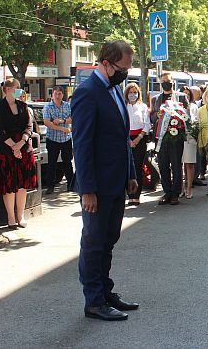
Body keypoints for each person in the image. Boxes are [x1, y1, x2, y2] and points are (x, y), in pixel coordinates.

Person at [72, 40, 138, 321]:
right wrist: (87, 189)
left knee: (109, 239)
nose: (126, 73)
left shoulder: (115, 91)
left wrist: (131, 174)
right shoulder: (87, 93)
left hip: (116, 181)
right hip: (97, 187)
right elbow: (82, 144)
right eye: (123, 68)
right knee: (94, 242)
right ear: (106, 63)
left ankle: (105, 291)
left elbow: (121, 139)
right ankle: (94, 300)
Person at [0, 79, 37, 229]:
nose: (20, 90)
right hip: (6, 150)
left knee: (22, 185)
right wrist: (14, 147)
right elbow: (0, 130)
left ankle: (20, 216)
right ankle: (11, 217)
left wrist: (21, 144)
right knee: (9, 185)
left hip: (23, 147)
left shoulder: (23, 106)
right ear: (9, 89)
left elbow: (28, 126)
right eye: (17, 88)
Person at [151, 73, 188, 205]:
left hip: (176, 137)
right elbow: (152, 118)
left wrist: (177, 115)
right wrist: (158, 115)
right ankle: (167, 192)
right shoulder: (155, 99)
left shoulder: (182, 97)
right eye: (163, 81)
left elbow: (187, 116)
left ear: (173, 82)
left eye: (168, 81)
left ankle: (175, 193)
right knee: (163, 165)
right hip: (161, 138)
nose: (166, 83)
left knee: (176, 165)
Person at [43, 86, 74, 194]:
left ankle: (71, 184)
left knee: (67, 162)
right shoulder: (48, 107)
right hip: (52, 139)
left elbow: (72, 119)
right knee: (52, 163)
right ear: (52, 95)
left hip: (66, 139)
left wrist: (62, 120)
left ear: (62, 95)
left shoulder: (67, 106)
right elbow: (47, 123)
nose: (57, 96)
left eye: (59, 94)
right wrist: (62, 128)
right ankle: (50, 186)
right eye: (55, 94)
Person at [124, 82, 150, 206]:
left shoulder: (143, 106)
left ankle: (137, 195)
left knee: (138, 166)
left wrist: (138, 138)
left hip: (140, 138)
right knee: (128, 167)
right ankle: (130, 195)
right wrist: (128, 139)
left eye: (135, 92)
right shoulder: (124, 107)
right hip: (126, 139)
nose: (133, 95)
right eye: (130, 92)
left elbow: (147, 124)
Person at [182, 87, 200, 199]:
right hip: (178, 137)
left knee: (189, 164)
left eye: (188, 94)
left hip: (190, 138)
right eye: (184, 95)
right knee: (178, 164)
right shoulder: (176, 107)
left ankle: (189, 187)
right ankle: (180, 188)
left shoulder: (194, 107)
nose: (186, 97)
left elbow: (197, 121)